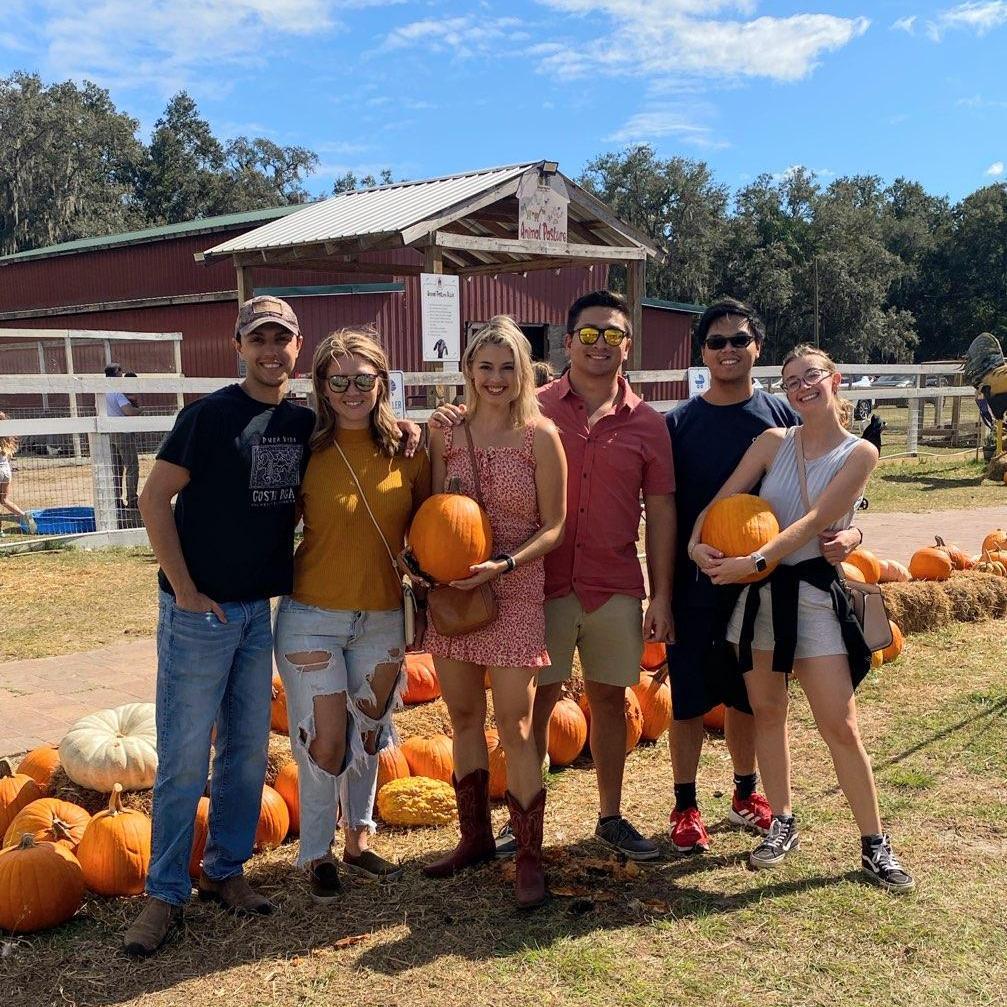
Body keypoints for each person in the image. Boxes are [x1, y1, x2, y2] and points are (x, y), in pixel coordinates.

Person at [432, 291, 675, 863]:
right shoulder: (533, 405)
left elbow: (661, 510)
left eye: (612, 335)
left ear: (627, 345)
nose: (599, 345)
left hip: (610, 578)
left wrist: (661, 592)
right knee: (535, 708)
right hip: (543, 585)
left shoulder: (646, 423)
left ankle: (610, 815)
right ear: (568, 343)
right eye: (588, 334)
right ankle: (513, 830)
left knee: (610, 699)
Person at [123, 296, 315, 956]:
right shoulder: (205, 417)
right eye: (258, 338)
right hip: (198, 615)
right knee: (182, 755)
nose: (271, 349)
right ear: (238, 345)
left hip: (256, 611)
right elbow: (152, 498)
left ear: (297, 346)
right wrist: (183, 588)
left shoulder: (302, 419)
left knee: (245, 750)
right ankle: (163, 893)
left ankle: (224, 870)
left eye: (281, 339)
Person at [689, 344, 914, 892]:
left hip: (811, 596)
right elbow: (719, 502)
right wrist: (697, 544)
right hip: (760, 598)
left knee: (839, 723)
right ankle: (783, 821)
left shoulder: (860, 453)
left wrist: (758, 558)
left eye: (810, 375)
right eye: (790, 380)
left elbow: (816, 519)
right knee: (768, 712)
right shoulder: (771, 442)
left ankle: (874, 844)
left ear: (833, 379)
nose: (801, 386)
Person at [664, 298, 863, 854]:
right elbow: (664, 509)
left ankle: (747, 792)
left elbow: (827, 495)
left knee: (749, 698)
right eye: (717, 342)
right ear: (702, 352)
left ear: (756, 349)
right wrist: (670, 578)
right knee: (688, 696)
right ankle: (685, 804)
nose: (729, 350)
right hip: (698, 577)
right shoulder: (678, 424)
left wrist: (854, 536)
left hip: (765, 585)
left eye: (740, 340)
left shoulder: (781, 418)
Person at [274, 327, 430, 903]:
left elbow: (440, 522)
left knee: (369, 732)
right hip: (310, 614)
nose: (351, 391)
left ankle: (358, 840)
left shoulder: (409, 452)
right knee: (325, 738)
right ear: (320, 386)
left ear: (382, 382)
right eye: (338, 380)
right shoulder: (303, 449)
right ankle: (314, 851)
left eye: (363, 379)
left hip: (383, 615)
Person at [421, 315, 566, 908]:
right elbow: (436, 508)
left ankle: (529, 854)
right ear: (468, 372)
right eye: (485, 367)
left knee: (517, 722)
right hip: (455, 591)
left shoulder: (539, 435)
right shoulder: (447, 436)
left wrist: (505, 564)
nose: (496, 378)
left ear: (523, 372)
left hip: (514, 587)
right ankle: (474, 837)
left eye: (508, 367)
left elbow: (554, 525)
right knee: (460, 713)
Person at [105, 363, 141, 513]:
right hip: (122, 432)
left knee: (116, 468)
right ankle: (132, 499)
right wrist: (140, 410)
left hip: (109, 432)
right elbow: (128, 411)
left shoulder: (103, 391)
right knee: (132, 466)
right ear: (117, 373)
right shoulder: (117, 392)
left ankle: (116, 499)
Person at [0, 413, 38, 535]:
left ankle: (0, 530)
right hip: (6, 472)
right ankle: (24, 516)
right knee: (4, 500)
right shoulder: (6, 438)